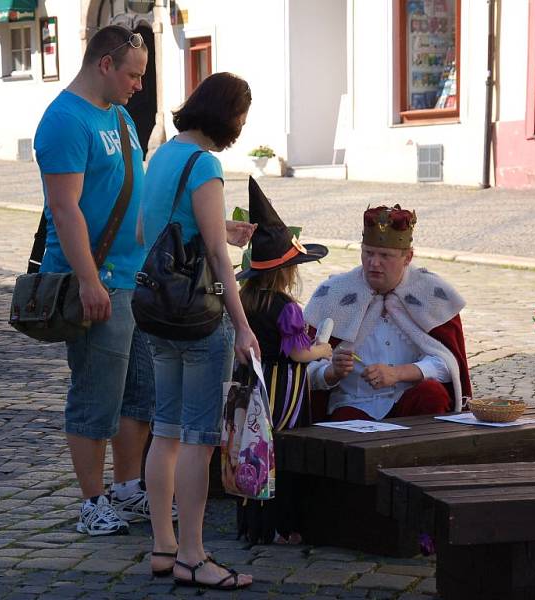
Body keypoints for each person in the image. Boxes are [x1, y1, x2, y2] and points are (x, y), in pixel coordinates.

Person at [33, 25, 154, 536]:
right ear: (105, 63)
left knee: (139, 395)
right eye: (133, 74)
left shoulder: (120, 116)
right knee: (96, 396)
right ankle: (92, 501)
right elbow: (64, 210)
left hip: (136, 279)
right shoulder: (64, 121)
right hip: (98, 280)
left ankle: (127, 490)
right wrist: (88, 280)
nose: (139, 85)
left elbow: (135, 193)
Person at [140, 72, 256, 591]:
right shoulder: (205, 163)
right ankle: (193, 554)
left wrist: (221, 230)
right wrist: (243, 323)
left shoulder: (162, 154)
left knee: (164, 430)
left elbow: (151, 230)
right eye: (242, 117)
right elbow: (215, 257)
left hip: (157, 310)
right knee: (199, 438)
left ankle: (164, 546)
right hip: (200, 317)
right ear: (228, 115)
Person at [304, 205, 472, 420]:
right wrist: (333, 372)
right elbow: (305, 370)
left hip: (407, 399)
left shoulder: (430, 292)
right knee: (344, 425)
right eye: (368, 253)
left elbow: (450, 365)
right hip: (355, 403)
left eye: (385, 255)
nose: (374, 263)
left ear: (408, 257)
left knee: (432, 395)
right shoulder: (335, 293)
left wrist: (399, 373)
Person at [234, 177, 331, 545]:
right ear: (287, 272)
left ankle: (251, 524)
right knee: (281, 457)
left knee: (252, 453)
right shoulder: (287, 308)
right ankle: (281, 525)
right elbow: (297, 353)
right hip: (283, 394)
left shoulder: (243, 300)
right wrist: (322, 349)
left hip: (251, 387)